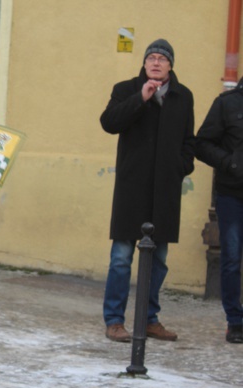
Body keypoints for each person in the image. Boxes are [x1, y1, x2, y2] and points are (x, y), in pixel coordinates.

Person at [99, 39, 194, 343]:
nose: (156, 62)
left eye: (162, 59)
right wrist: (140, 98)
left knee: (159, 259)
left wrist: (182, 166)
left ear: (170, 65)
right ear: (144, 63)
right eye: (151, 57)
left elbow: (188, 140)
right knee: (121, 257)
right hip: (132, 188)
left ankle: (149, 318)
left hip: (165, 190)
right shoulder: (125, 88)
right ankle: (114, 320)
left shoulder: (183, 96)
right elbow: (109, 123)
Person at [195, 79, 243, 344]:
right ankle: (235, 321)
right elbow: (201, 144)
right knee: (232, 258)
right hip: (232, 195)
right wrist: (230, 163)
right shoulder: (226, 103)